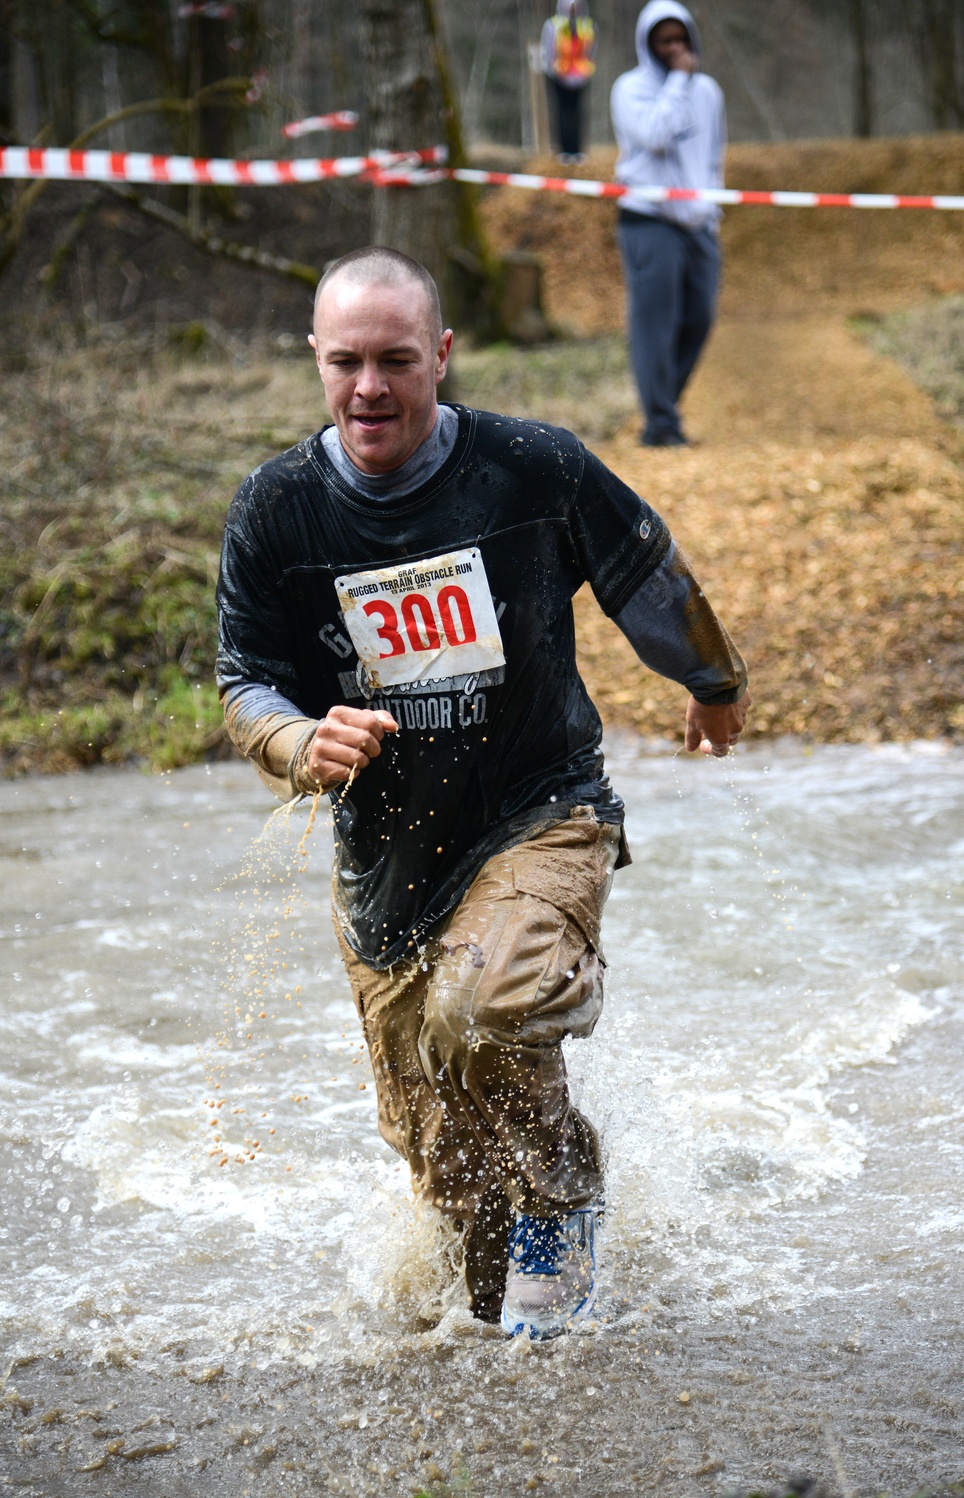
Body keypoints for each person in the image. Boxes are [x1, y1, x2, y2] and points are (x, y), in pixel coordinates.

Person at [216, 245, 750, 1339]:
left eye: (397, 360)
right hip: (388, 864)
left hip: (540, 807)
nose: (372, 387)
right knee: (445, 1172)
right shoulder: (275, 509)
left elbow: (642, 568)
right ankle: (496, 1310)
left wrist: (714, 681)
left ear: (442, 356)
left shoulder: (530, 467)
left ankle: (566, 1195)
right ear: (316, 363)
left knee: (489, 999)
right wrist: (295, 738)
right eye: (348, 363)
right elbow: (243, 682)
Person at [610, 1, 726, 447]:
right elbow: (655, 135)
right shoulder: (631, 88)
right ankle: (660, 424)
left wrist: (711, 210)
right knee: (656, 323)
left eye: (682, 39)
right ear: (649, 44)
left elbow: (713, 154)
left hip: (698, 221)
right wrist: (678, 79)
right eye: (665, 40)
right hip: (648, 218)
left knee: (699, 317)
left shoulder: (709, 93)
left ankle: (663, 407)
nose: (675, 48)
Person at [540, 0, 597, 164]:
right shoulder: (552, 25)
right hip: (558, 75)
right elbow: (547, 49)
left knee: (577, 113)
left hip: (580, 76)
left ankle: (577, 150)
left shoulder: (587, 25)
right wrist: (552, 70)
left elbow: (591, 49)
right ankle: (563, 150)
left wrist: (587, 69)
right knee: (561, 112)